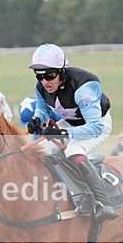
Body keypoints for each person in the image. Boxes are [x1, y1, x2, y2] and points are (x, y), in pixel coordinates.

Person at [25, 43, 117, 221]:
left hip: (97, 126)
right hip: (70, 123)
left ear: (62, 71)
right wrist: (37, 120)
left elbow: (95, 126)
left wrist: (63, 134)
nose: (45, 82)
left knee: (73, 151)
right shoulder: (41, 87)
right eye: (39, 76)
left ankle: (103, 203)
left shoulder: (84, 86)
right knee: (40, 151)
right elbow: (42, 111)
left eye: (49, 75)